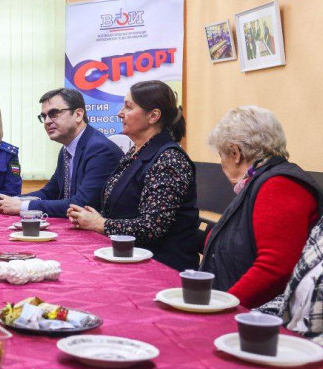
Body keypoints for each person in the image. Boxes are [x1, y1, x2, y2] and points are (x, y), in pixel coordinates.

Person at [68, 80, 199, 271]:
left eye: (128, 107)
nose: (120, 113)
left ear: (153, 116)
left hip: (162, 267)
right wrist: (90, 217)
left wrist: (101, 224)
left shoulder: (169, 159)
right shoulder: (136, 152)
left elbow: (152, 227)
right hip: (129, 256)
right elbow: (124, 209)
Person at [200, 106, 321, 308]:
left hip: (253, 315)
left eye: (221, 154)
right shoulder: (261, 181)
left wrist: (224, 306)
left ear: (235, 153)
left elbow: (275, 268)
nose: (221, 162)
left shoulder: (279, 185)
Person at [0, 88, 121, 217]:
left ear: (78, 115)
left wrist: (23, 207)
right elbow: (50, 192)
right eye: (44, 116)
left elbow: (81, 205)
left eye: (54, 113)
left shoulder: (99, 149)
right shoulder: (66, 150)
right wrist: (15, 200)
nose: (47, 121)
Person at [259, 219, 323, 344]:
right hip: (287, 337)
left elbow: (273, 266)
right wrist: (254, 317)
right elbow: (289, 301)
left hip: (307, 348)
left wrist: (297, 347)